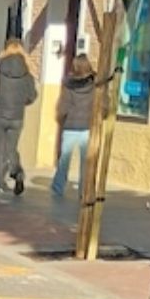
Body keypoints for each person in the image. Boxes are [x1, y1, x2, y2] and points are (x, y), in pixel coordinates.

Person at [0, 38, 39, 195]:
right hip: (17, 117)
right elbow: (32, 96)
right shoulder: (27, 74)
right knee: (11, 149)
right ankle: (17, 173)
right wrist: (20, 103)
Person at [52, 54, 96, 199]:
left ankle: (58, 186)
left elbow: (63, 106)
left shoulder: (69, 84)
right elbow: (102, 103)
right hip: (88, 127)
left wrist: (60, 119)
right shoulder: (95, 84)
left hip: (71, 126)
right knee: (86, 162)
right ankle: (84, 191)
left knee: (64, 159)